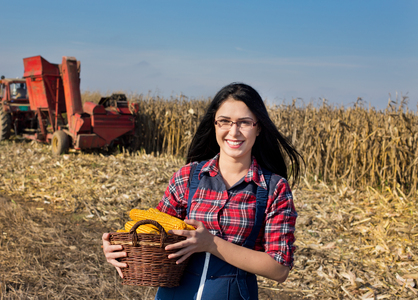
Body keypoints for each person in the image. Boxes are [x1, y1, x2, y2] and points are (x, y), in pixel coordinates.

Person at [102, 82, 302, 300]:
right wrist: (120, 246)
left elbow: (279, 268)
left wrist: (211, 244)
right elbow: (153, 233)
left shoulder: (274, 189)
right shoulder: (187, 177)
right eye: (224, 121)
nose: (233, 131)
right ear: (215, 124)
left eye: (244, 122)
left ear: (258, 127)